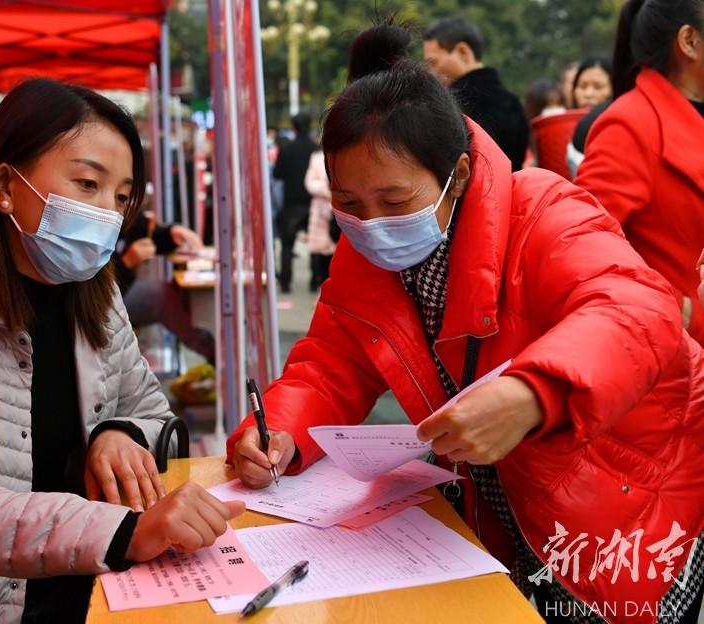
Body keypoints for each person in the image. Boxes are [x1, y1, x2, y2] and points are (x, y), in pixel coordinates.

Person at [227, 23, 704, 624]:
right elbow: (329, 364)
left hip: (625, 479)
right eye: (348, 202)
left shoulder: (544, 209)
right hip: (507, 498)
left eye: (395, 202)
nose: (370, 222)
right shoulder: (363, 253)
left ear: (456, 175)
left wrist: (534, 392)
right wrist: (280, 431)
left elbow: (638, 310)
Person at [0, 78, 244, 624]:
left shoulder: (96, 291)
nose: (108, 214)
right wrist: (123, 532)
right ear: (3, 187)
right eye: (87, 183)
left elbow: (154, 414)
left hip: (112, 593)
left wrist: (120, 433)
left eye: (120, 196)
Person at [575, 0, 704, 345]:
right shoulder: (629, 125)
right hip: (675, 361)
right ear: (689, 41)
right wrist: (675, 307)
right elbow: (582, 246)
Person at [422, 16, 529, 171]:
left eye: (434, 62)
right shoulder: (513, 102)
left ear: (463, 52)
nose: (431, 72)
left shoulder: (452, 106)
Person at [112, 206, 216, 363]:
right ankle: (215, 354)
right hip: (103, 299)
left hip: (120, 289)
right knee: (164, 297)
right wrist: (126, 263)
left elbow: (148, 232)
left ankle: (214, 350)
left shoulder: (124, 212)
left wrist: (171, 233)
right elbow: (93, 287)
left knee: (174, 293)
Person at [273, 112, 318, 293]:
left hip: (291, 204)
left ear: (294, 127)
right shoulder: (316, 149)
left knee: (286, 245)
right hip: (312, 202)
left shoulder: (287, 149)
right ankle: (315, 279)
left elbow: (277, 173)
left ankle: (285, 281)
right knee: (316, 242)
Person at [565, 56, 615, 176]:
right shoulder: (556, 125)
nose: (588, 94)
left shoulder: (618, 129)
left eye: (598, 87)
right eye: (582, 86)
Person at [304, 150, 335, 291]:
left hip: (338, 210)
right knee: (318, 249)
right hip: (320, 209)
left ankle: (331, 281)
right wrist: (324, 189)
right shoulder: (317, 158)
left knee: (334, 250)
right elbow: (309, 182)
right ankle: (317, 279)